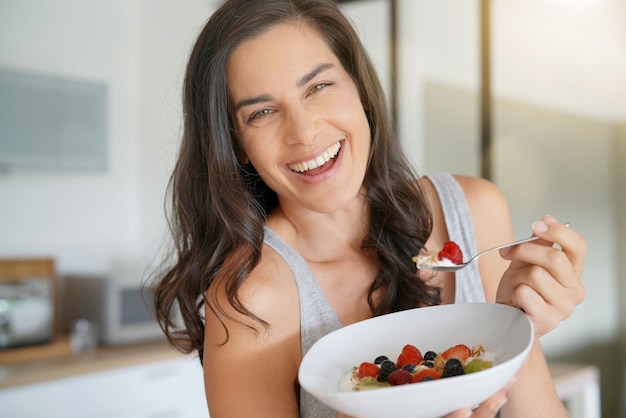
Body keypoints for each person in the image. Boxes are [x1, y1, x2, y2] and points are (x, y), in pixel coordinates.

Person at [151, 0, 586, 417]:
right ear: (236, 145)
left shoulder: (475, 210)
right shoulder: (250, 299)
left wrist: (517, 329)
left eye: (319, 86)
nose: (304, 132)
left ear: (359, 89)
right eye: (262, 112)